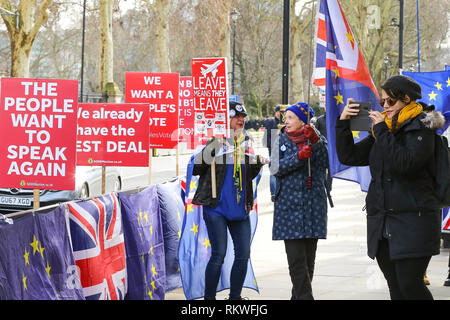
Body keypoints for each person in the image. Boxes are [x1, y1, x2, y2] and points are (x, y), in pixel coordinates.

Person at [335, 75, 443, 300]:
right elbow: (349, 156)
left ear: (406, 99)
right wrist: (343, 123)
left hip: (415, 220)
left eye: (390, 102)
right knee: (395, 286)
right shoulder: (384, 130)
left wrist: (382, 130)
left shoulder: (422, 128)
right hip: (383, 220)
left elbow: (406, 164)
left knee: (410, 285)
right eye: (382, 101)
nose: (385, 106)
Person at [192, 101, 268, 300]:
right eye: (236, 117)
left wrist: (257, 163)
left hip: (240, 207)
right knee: (219, 254)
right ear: (226, 120)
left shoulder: (247, 141)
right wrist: (215, 146)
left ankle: (235, 298)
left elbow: (248, 175)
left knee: (243, 254)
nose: (241, 120)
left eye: (243, 117)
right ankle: (209, 299)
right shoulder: (215, 141)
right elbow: (196, 169)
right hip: (216, 208)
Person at [270, 102, 329, 300]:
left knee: (308, 263)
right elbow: (275, 168)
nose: (285, 121)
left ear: (302, 120)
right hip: (288, 209)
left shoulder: (317, 138)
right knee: (296, 262)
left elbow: (326, 163)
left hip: (313, 208)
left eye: (290, 118)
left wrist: (317, 144)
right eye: (285, 117)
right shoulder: (280, 139)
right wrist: (299, 157)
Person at [263, 105, 283, 201]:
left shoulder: (284, 122)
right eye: (279, 111)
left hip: (282, 150)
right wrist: (270, 147)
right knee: (273, 173)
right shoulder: (271, 122)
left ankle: (279, 191)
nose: (280, 113)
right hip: (273, 150)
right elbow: (267, 137)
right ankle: (273, 193)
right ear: (276, 112)